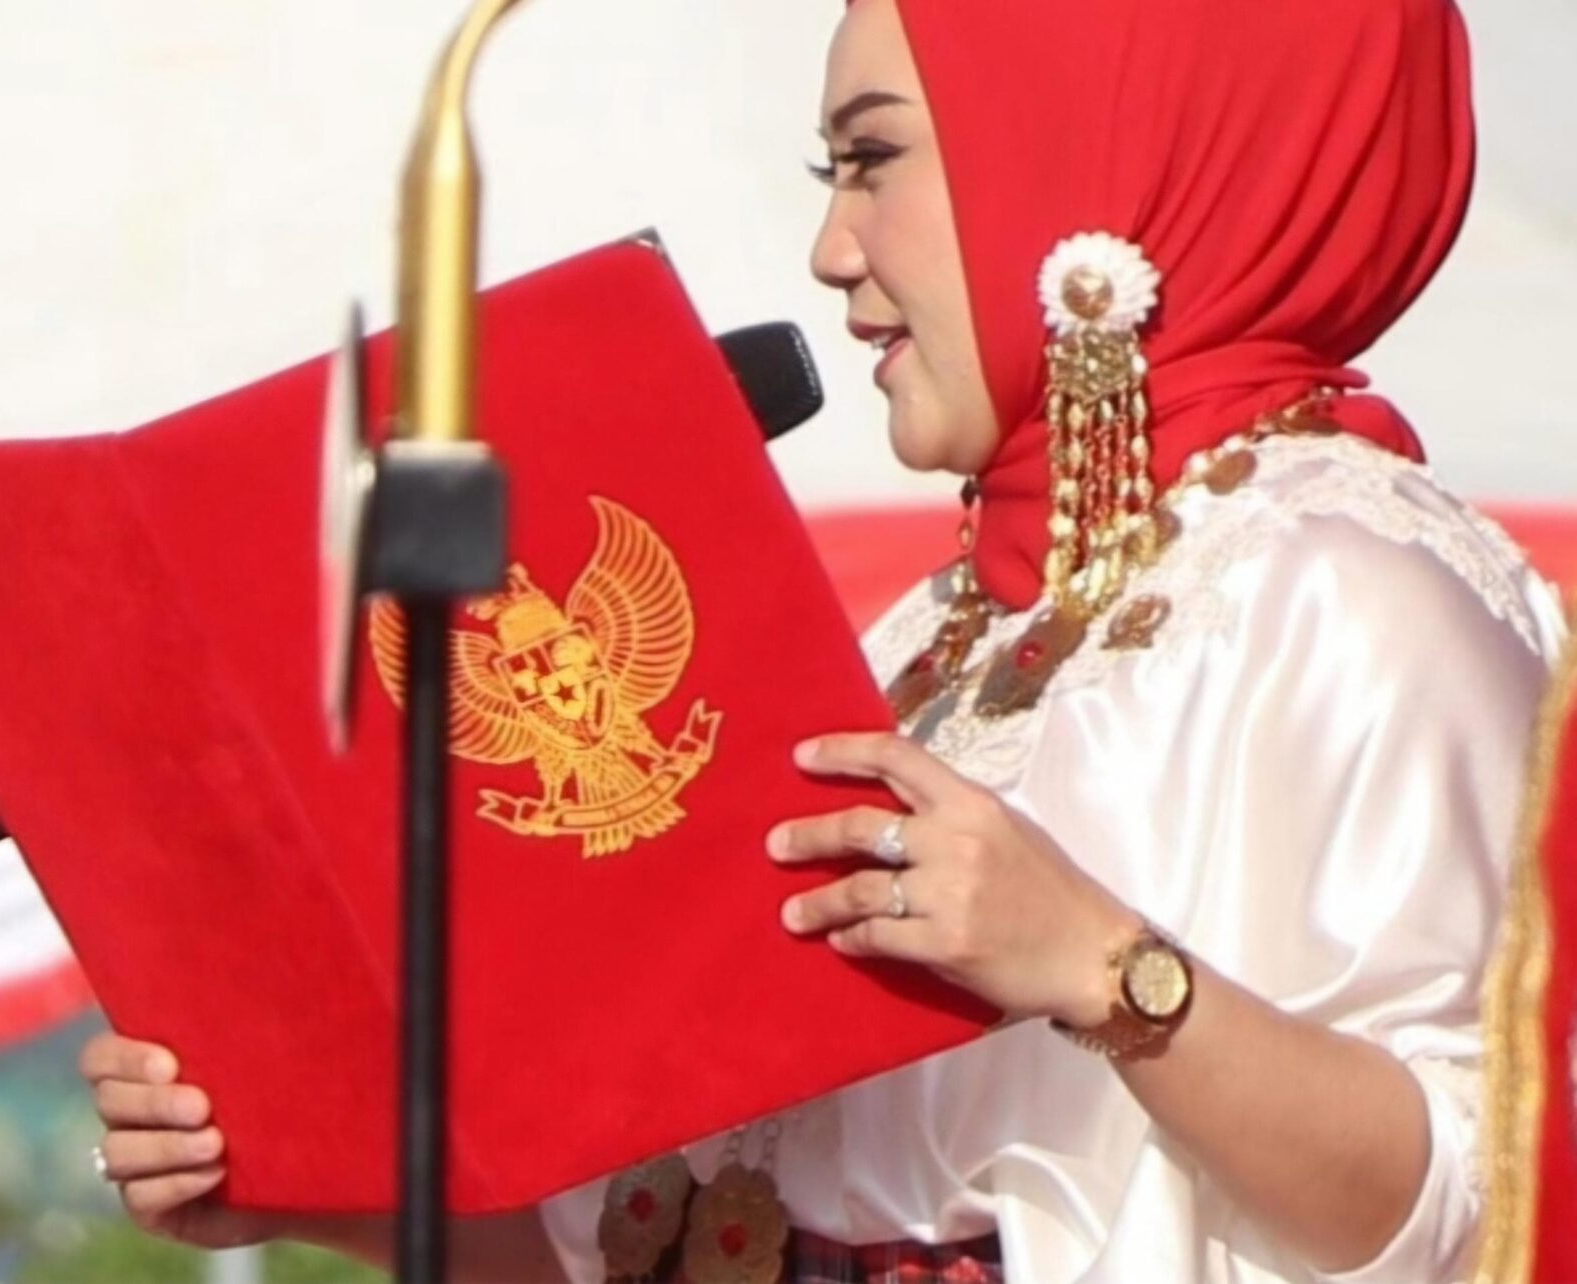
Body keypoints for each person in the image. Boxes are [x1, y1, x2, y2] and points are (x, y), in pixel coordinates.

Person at [79, 0, 1567, 1279]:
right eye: (829, 171)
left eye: (875, 159)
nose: (831, 249)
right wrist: (310, 1188)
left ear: (1090, 152)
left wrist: (1100, 967)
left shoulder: (1357, 588)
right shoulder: (935, 641)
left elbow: (1487, 1205)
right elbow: (686, 1237)